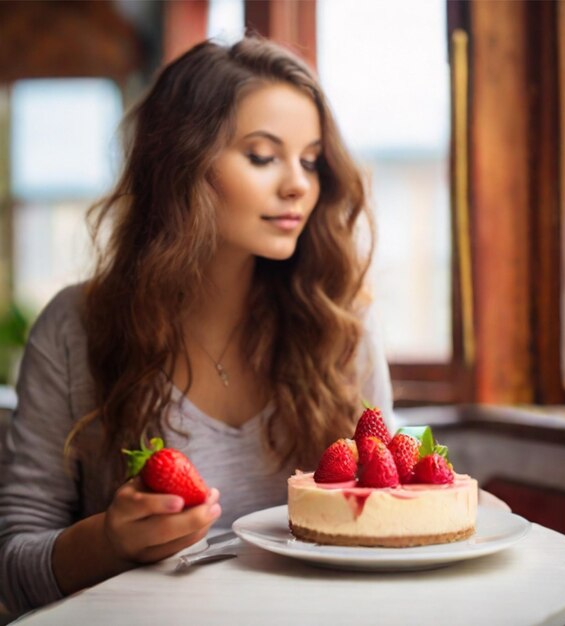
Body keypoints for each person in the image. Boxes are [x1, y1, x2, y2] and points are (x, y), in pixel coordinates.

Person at [0, 37, 393, 612]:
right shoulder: (75, 328)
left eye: (310, 160)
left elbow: (386, 514)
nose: (298, 184)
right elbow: (12, 567)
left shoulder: (340, 322)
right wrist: (111, 541)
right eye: (262, 155)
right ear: (181, 163)